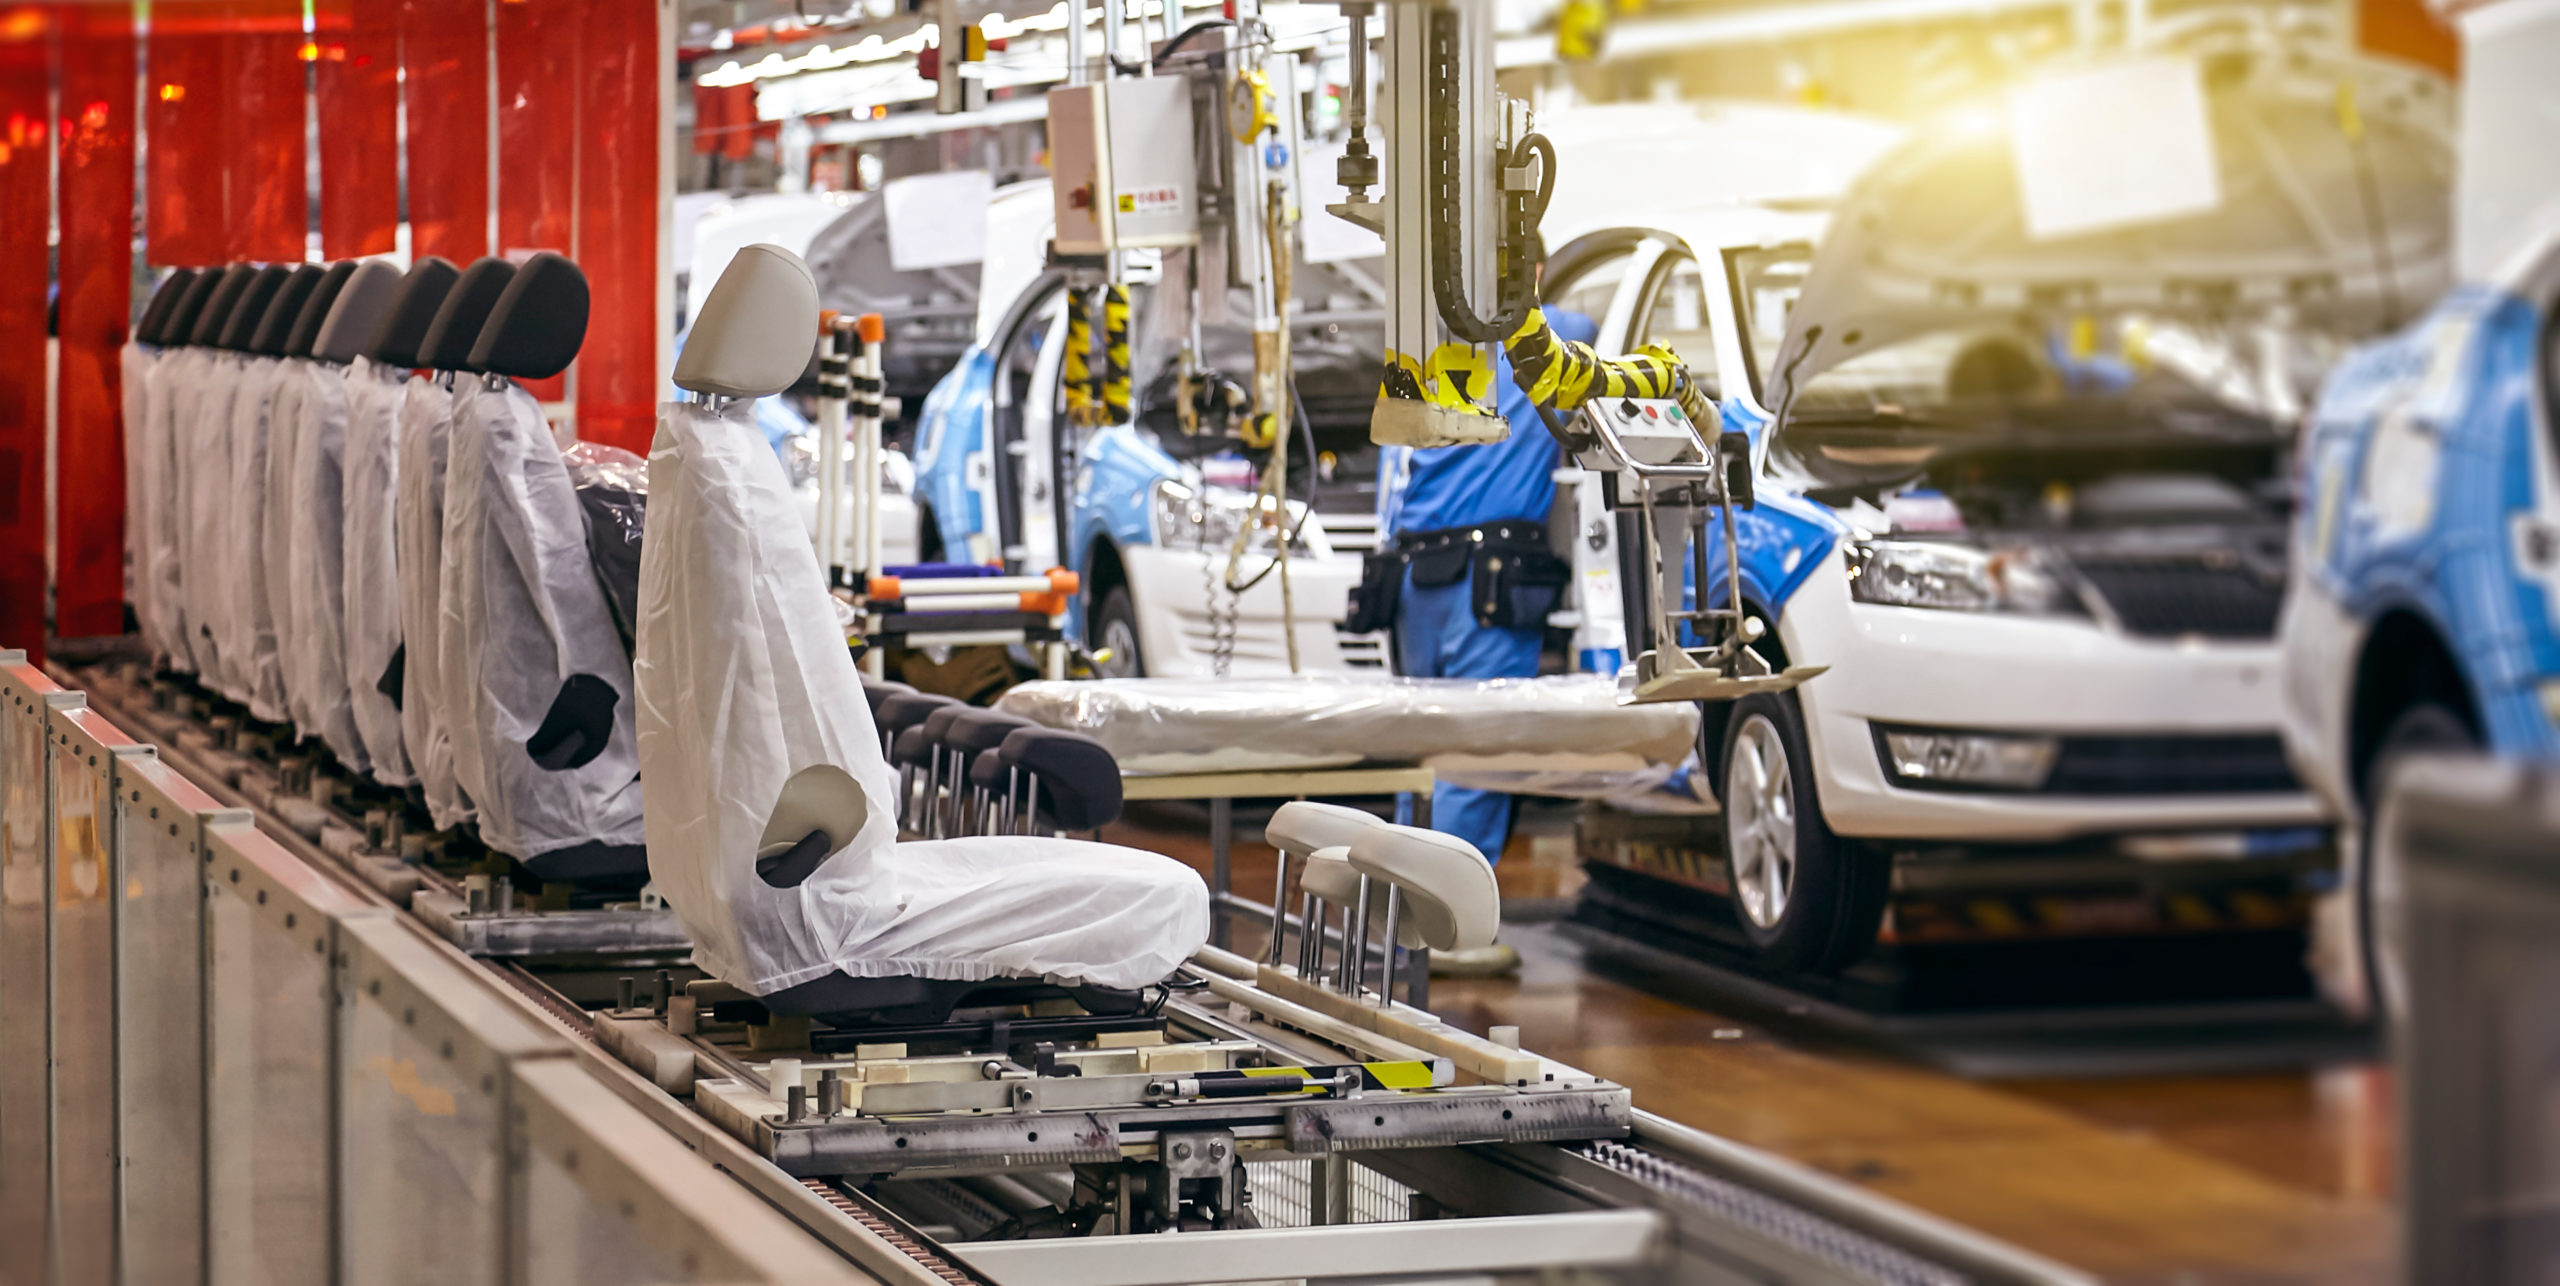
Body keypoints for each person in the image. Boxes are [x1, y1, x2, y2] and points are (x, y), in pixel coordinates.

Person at [1370, 305, 1596, 973]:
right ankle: (1454, 931)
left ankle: (1408, 913)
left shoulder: (1424, 341)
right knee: (1477, 747)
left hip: (1414, 575)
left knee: (1426, 747)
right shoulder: (1558, 330)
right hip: (1487, 581)